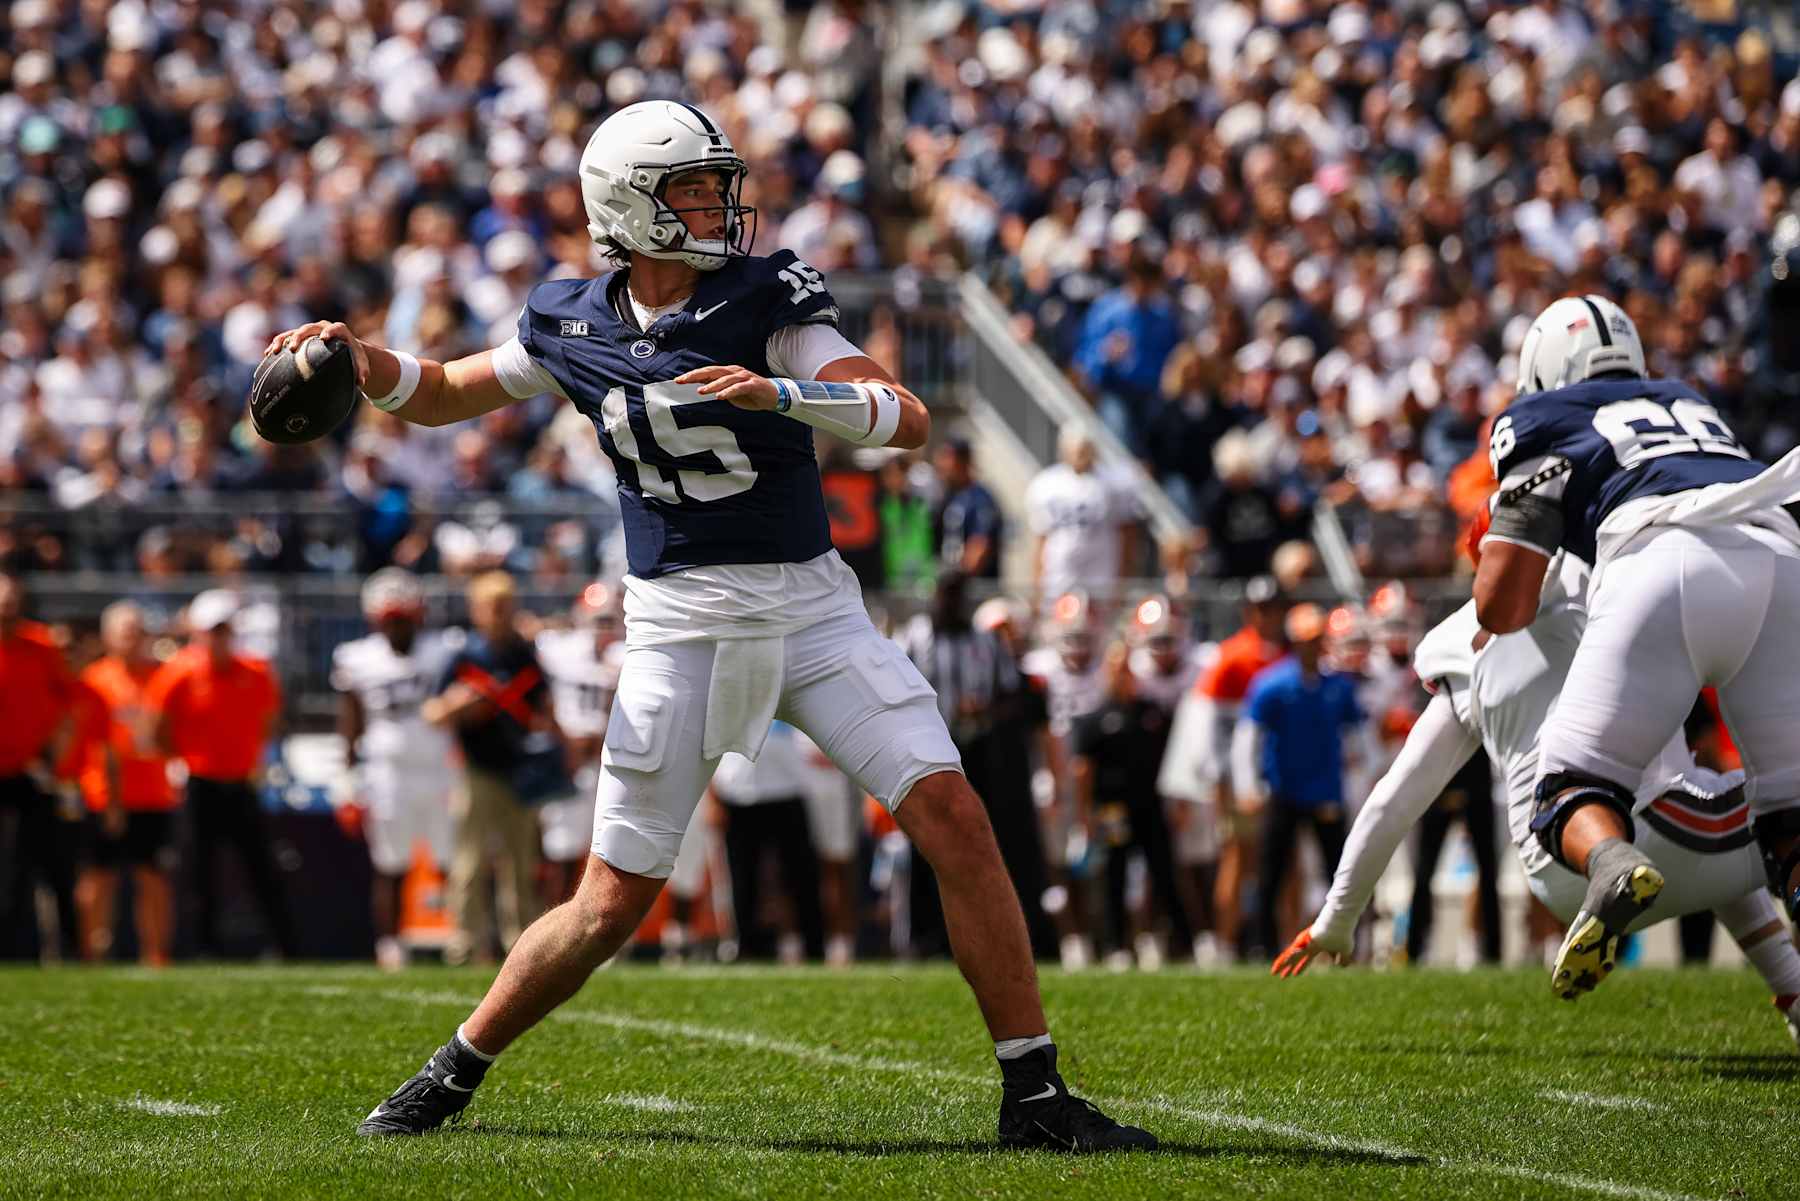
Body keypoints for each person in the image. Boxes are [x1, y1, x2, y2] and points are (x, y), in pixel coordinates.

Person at [269, 101, 1152, 1150]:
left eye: (714, 185)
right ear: (629, 204)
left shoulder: (766, 297)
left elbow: (902, 417)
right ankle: (450, 1073)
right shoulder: (569, 319)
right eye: (691, 187)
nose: (716, 205)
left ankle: (1036, 1096)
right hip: (678, 626)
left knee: (956, 820)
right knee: (609, 902)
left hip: (815, 613)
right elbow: (446, 391)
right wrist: (361, 357)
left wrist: (783, 393)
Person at [1276, 535, 1800, 1045]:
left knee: (1723, 831)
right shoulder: (1607, 578)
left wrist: (1335, 921)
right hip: (1646, 824)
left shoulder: (1460, 644)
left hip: (1554, 871)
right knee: (1757, 812)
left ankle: (1792, 992)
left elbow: (1393, 802)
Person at [1473, 294, 1800, 1000]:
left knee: (1569, 787)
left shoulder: (1540, 416)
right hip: (1780, 551)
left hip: (1662, 556)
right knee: (1790, 823)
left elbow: (1502, 603)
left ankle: (1612, 862)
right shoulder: (1687, 398)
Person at [147, 589, 294, 959]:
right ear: (199, 632)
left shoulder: (256, 671)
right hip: (199, 785)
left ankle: (285, 946)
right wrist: (180, 759)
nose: (219, 638)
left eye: (225, 629)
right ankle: (204, 949)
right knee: (199, 872)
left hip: (242, 783)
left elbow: (269, 722)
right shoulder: (178, 672)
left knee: (263, 868)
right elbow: (154, 729)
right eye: (213, 630)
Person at [333, 568, 461, 971]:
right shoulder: (357, 658)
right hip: (387, 773)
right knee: (390, 864)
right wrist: (346, 781)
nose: (397, 628)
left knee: (451, 859)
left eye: (403, 619)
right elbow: (351, 721)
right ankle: (390, 946)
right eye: (390, 620)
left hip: (440, 768)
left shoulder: (444, 649)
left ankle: (462, 935)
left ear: (419, 616)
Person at [424, 571, 553, 967]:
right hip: (478, 770)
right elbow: (432, 713)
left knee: (520, 864)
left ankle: (522, 948)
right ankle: (464, 942)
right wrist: (459, 705)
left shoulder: (523, 655)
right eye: (492, 606)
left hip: (519, 771)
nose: (499, 614)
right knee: (469, 862)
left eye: (505, 605)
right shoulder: (465, 656)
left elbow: (545, 710)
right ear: (477, 610)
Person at [1232, 603, 1365, 959]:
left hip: (1325, 792)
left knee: (1340, 874)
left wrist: (1359, 783)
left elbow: (1355, 739)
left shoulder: (1338, 685)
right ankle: (1261, 946)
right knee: (1270, 875)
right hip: (1285, 792)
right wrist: (1248, 785)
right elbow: (1249, 736)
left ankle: (1348, 943)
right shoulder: (1273, 684)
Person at [1163, 576, 1286, 960]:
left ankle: (1280, 940)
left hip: (1278, 773)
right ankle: (1226, 942)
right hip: (1239, 775)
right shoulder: (1232, 657)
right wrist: (1222, 781)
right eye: (1262, 609)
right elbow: (1211, 726)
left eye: (1274, 609)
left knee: (1285, 862)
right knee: (1238, 855)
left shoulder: (1284, 655)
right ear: (1250, 612)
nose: (1268, 617)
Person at [1071, 639, 1196, 970]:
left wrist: (1179, 800)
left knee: (1164, 873)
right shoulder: (1095, 717)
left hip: (1151, 805)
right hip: (1113, 810)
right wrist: (1085, 814)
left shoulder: (1151, 712)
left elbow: (1174, 759)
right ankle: (1116, 946)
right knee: (1115, 875)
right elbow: (1083, 771)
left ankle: (1178, 943)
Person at [76, 602, 178, 966]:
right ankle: (92, 953)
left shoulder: (163, 676)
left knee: (153, 877)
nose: (132, 639)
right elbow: (92, 742)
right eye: (125, 631)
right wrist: (111, 799)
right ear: (108, 637)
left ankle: (156, 955)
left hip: (153, 793)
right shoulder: (94, 679)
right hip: (104, 795)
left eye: (137, 631)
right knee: (98, 877)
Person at [535, 582, 626, 908]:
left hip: (610, 760)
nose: (602, 629)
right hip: (569, 761)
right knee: (562, 849)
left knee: (610, 849)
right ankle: (551, 923)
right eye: (596, 620)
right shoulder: (558, 650)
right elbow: (539, 695)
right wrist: (562, 739)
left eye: (608, 620)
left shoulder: (626, 655)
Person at [0, 572, 76, 961]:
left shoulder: (41, 646)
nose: (6, 606)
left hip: (32, 770)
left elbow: (67, 708)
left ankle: (63, 948)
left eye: (11, 599)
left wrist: (52, 759)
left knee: (46, 861)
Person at [710, 721, 826, 962]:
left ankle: (814, 946)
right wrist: (712, 796)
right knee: (742, 879)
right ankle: (747, 948)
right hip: (738, 790)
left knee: (802, 876)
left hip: (789, 786)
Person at [1026, 426, 1138, 605]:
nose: (1081, 456)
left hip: (1101, 572)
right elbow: (1041, 538)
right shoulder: (1046, 484)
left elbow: (1127, 534)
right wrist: (1037, 584)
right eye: (1076, 450)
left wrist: (1122, 579)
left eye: (1085, 449)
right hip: (1058, 574)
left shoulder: (1115, 483)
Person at [932, 437, 1002, 580]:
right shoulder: (947, 497)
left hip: (973, 590)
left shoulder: (980, 499)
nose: (941, 464)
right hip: (950, 589)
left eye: (946, 457)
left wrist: (957, 578)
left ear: (963, 461)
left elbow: (979, 547)